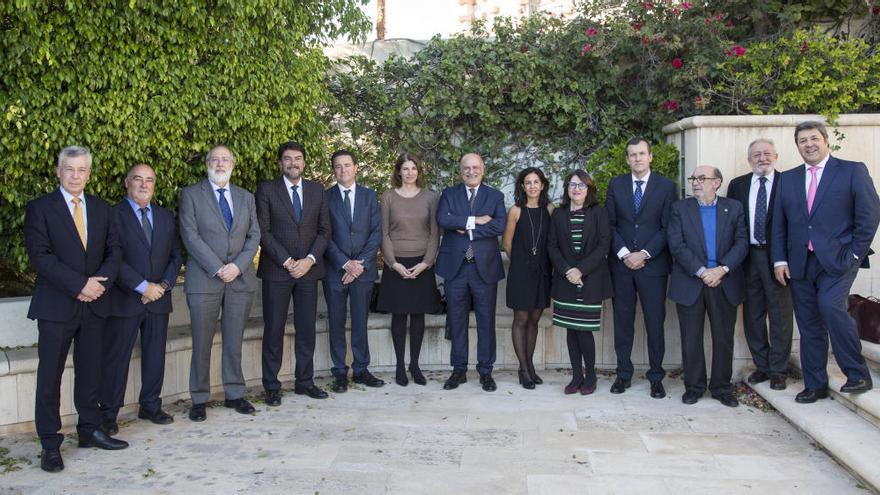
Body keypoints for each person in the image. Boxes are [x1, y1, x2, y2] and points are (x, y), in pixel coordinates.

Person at [24, 145, 127, 473]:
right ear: (58, 171)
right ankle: (50, 444)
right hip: (56, 306)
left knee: (91, 371)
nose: (75, 175)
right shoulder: (40, 208)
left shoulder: (102, 208)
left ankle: (89, 429)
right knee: (50, 376)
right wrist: (80, 284)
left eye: (81, 170)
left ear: (89, 174)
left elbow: (115, 251)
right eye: (69, 169)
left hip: (96, 304)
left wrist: (99, 285)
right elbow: (40, 256)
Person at [772, 121, 880, 403]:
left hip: (838, 260)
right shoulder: (788, 178)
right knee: (808, 324)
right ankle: (815, 384)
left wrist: (855, 253)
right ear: (797, 146)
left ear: (825, 141)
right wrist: (780, 260)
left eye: (814, 138)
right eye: (803, 141)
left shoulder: (851, 171)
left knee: (831, 307)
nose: (809, 144)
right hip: (800, 262)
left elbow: (869, 215)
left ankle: (857, 374)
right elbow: (779, 224)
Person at [179, 144, 261, 421]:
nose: (220, 164)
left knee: (234, 340)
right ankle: (199, 399)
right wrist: (218, 267)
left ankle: (235, 393)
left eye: (225, 159)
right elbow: (190, 236)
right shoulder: (191, 195)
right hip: (204, 280)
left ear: (233, 165)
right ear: (206, 164)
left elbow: (254, 235)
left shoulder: (246, 197)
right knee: (201, 341)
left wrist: (237, 266)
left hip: (239, 280)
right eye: (214, 159)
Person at [100, 164, 183, 435]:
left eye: (149, 180)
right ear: (127, 183)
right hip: (125, 298)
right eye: (138, 179)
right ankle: (109, 413)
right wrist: (141, 286)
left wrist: (163, 285)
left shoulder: (165, 216)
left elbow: (175, 255)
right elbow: (113, 257)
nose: (144, 185)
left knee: (155, 354)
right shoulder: (112, 215)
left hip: (159, 297)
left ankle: (150, 405)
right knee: (117, 358)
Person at [255, 141, 330, 404]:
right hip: (277, 271)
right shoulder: (266, 189)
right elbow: (264, 232)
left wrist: (309, 260)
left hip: (309, 271)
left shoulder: (317, 190)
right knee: (274, 329)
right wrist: (288, 261)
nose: (293, 163)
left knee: (306, 329)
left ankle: (304, 382)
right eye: (287, 159)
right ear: (281, 163)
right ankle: (272, 386)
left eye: (298, 158)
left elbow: (324, 231)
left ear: (304, 162)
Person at [668, 166, 747, 407]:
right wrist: (702, 272)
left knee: (723, 338)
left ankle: (722, 387)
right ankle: (694, 386)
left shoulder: (733, 208)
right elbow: (677, 244)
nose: (696, 183)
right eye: (693, 178)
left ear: (717, 182)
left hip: (724, 281)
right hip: (692, 281)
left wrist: (722, 269)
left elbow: (742, 242)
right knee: (691, 338)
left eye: (702, 178)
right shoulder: (680, 208)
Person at [605, 137, 677, 399]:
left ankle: (656, 376)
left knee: (654, 322)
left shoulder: (667, 187)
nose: (637, 158)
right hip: (622, 266)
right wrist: (625, 253)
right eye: (632, 154)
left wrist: (644, 254)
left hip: (652, 266)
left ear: (650, 157)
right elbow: (610, 224)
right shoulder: (616, 184)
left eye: (641, 153)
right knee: (622, 322)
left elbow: (667, 226)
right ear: (627, 159)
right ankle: (623, 374)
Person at [436, 153, 506, 392]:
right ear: (460, 171)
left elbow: (499, 225)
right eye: (466, 168)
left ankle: (486, 371)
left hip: (483, 269)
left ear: (483, 169)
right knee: (457, 321)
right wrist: (476, 221)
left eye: (475, 167)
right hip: (455, 270)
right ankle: (458, 370)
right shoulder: (448, 194)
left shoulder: (495, 196)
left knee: (486, 321)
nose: (471, 171)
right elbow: (443, 220)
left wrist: (465, 228)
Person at [726, 139, 793, 391]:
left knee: (780, 315)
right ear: (749, 159)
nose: (762, 158)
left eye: (766, 153)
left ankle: (778, 370)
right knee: (752, 314)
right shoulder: (738, 185)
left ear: (776, 155)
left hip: (778, 258)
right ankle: (762, 365)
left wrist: (784, 258)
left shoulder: (788, 182)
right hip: (747, 257)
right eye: (756, 154)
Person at [377, 153, 441, 386]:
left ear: (419, 171)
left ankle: (415, 365)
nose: (410, 173)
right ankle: (399, 367)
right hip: (397, 263)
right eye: (405, 168)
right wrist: (393, 264)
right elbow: (383, 233)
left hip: (422, 263)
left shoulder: (431, 198)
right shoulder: (388, 197)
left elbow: (435, 233)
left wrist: (426, 263)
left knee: (417, 315)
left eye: (413, 168)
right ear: (398, 172)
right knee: (399, 315)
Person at [324, 149, 384, 392]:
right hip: (335, 271)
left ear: (356, 167)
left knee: (360, 321)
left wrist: (360, 263)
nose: (343, 170)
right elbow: (323, 234)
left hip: (364, 271)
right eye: (338, 166)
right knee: (336, 322)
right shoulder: (325, 198)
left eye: (347, 165)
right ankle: (340, 372)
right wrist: (344, 263)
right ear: (334, 170)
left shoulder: (370, 196)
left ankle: (361, 369)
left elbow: (376, 232)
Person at [547, 170, 612, 395]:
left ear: (589, 189)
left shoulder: (599, 213)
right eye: (573, 185)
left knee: (584, 331)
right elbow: (552, 246)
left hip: (590, 280)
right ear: (567, 188)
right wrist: (567, 270)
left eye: (582, 185)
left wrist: (580, 270)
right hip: (565, 280)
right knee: (571, 330)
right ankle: (576, 376)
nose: (577, 189)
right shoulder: (559, 214)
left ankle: (591, 376)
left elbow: (604, 246)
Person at [502, 167, 553, 389]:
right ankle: (523, 369)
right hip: (521, 272)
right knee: (521, 319)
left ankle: (530, 365)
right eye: (528, 182)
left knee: (534, 319)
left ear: (542, 185)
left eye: (536, 182)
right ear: (522, 186)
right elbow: (507, 243)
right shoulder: (515, 210)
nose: (532, 186)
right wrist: (522, 262)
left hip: (542, 272)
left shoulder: (550, 209)